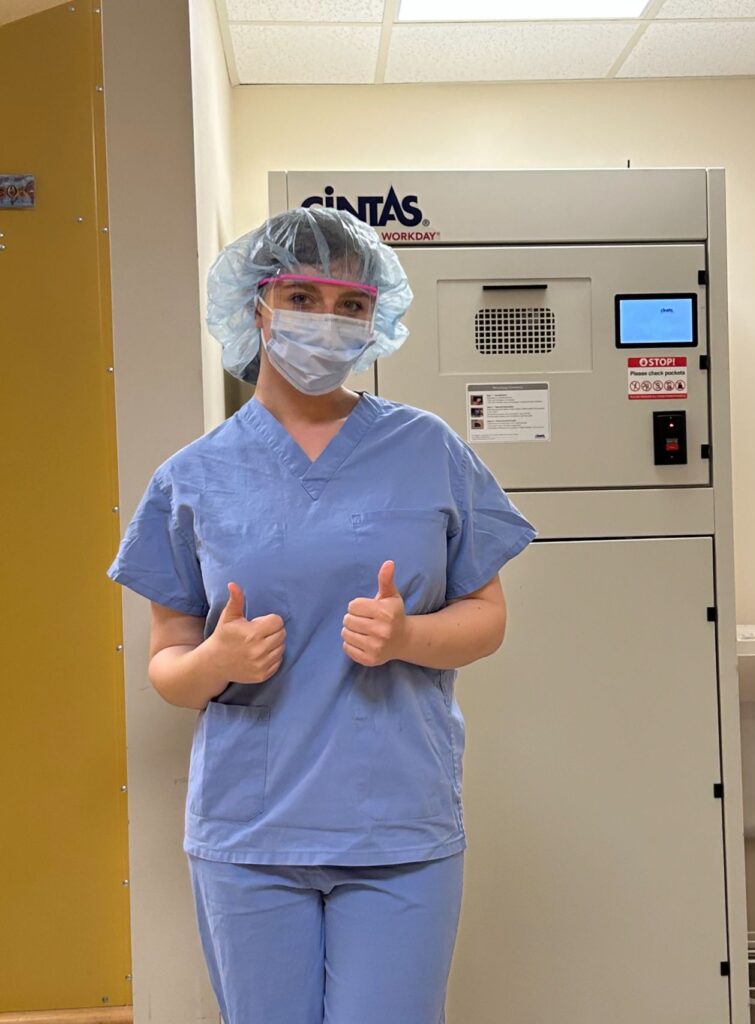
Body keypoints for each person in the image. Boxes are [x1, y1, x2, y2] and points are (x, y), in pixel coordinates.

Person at [106, 206, 537, 1024]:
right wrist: (214, 662)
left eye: (351, 305)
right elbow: (167, 663)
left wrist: (410, 636)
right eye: (302, 294)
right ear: (255, 306)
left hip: (397, 828)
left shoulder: (428, 449)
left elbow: (486, 615)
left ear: (378, 318)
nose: (327, 320)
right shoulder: (194, 476)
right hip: (249, 832)